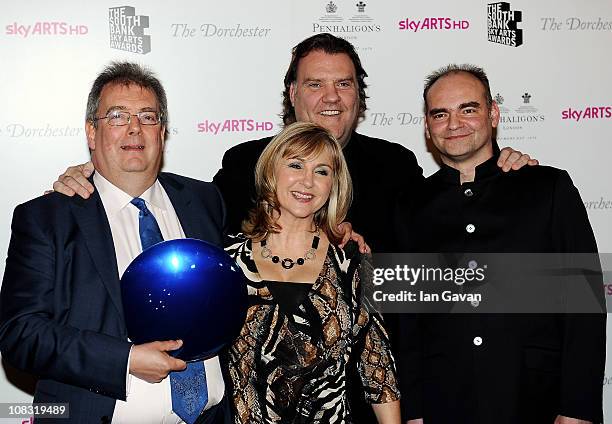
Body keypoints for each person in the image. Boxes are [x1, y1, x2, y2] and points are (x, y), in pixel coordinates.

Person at [52, 33, 536, 253]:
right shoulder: (244, 163)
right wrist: (99, 177)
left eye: (344, 84)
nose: (330, 98)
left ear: (359, 96)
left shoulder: (397, 164)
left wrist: (495, 170)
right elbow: (184, 218)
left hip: (370, 381)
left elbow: (443, 231)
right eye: (314, 84)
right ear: (292, 93)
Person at [0, 62, 231, 423]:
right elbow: (21, 335)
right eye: (117, 116)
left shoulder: (205, 201)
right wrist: (125, 360)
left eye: (148, 116)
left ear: (163, 131)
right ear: (92, 133)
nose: (135, 127)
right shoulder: (48, 218)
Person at [393, 64, 606, 424]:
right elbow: (406, 322)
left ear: (493, 114)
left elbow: (584, 307)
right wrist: (413, 411)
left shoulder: (548, 188)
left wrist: (577, 409)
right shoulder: (410, 206)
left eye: (469, 109)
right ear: (428, 126)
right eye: (440, 114)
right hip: (444, 401)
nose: (454, 123)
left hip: (534, 397)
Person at [225, 121, 400, 423]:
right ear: (271, 172)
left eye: (322, 171)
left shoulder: (354, 265)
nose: (307, 181)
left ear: (334, 184)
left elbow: (378, 370)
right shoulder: (227, 264)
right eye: (296, 165)